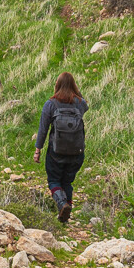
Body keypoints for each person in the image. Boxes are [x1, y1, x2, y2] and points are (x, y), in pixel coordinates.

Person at [34, 72, 88, 223]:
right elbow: (86, 104)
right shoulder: (80, 103)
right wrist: (76, 91)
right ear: (73, 85)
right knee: (67, 182)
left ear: (56, 85)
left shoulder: (50, 104)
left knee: (54, 181)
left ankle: (62, 204)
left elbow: (43, 130)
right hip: (77, 152)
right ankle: (66, 213)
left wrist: (38, 150)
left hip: (56, 152)